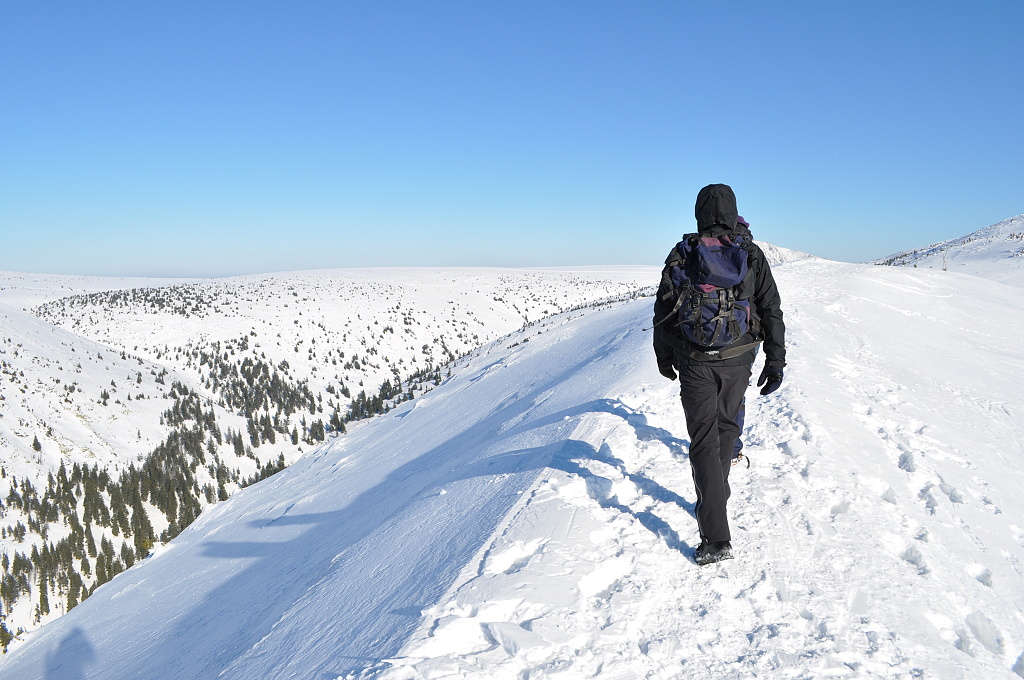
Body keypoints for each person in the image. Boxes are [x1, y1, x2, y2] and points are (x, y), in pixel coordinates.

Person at [653, 184, 786, 565]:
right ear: (732, 211)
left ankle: (715, 539)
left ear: (699, 213)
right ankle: (717, 494)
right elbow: (771, 308)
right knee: (727, 428)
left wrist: (664, 357)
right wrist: (775, 360)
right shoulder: (751, 253)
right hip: (739, 357)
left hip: (694, 359)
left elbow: (663, 310)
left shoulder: (684, 252)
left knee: (703, 441)